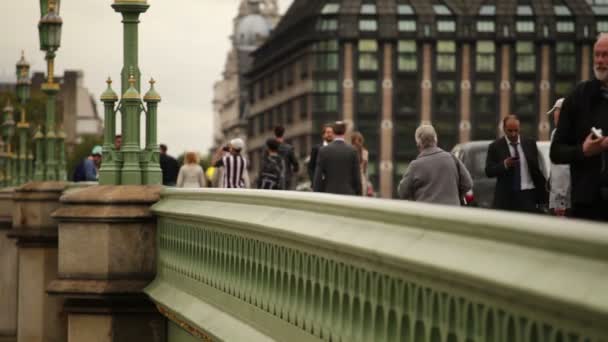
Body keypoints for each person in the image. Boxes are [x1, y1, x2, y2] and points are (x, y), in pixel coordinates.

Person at [551, 33, 608, 221]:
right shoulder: (578, 96)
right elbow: (556, 152)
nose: (600, 61)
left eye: (606, 55)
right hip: (587, 204)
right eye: (597, 55)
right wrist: (583, 151)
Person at [485, 115, 548, 213]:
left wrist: (542, 195)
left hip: (528, 195)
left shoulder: (530, 143)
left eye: (516, 130)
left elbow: (536, 170)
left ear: (519, 128)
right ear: (504, 129)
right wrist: (504, 165)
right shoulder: (495, 146)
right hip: (507, 197)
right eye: (510, 131)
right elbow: (488, 171)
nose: (513, 134)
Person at [398, 125, 472, 205]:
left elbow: (402, 192)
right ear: (435, 139)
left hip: (428, 212)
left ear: (418, 143)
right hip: (452, 212)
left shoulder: (415, 166)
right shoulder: (452, 158)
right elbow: (468, 184)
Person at [313, 121, 362, 196]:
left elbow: (318, 177)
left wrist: (317, 194)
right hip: (348, 195)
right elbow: (357, 177)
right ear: (344, 132)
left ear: (333, 132)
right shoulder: (353, 151)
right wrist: (359, 194)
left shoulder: (323, 151)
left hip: (329, 194)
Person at [546, 98, 571, 216]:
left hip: (563, 203)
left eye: (557, 113)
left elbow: (563, 171)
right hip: (556, 199)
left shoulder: (565, 136)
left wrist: (561, 203)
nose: (555, 117)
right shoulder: (555, 133)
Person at [351, 131, 369, 197]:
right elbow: (365, 170)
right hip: (361, 180)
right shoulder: (365, 152)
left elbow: (365, 170)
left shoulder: (350, 151)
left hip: (356, 180)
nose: (357, 143)